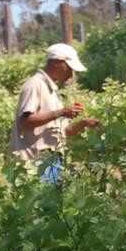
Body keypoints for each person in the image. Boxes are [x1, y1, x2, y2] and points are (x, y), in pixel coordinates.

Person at [8, 43, 100, 174]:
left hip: (51, 160)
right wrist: (61, 112)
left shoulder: (52, 90)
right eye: (69, 68)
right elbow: (24, 123)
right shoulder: (35, 85)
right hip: (34, 163)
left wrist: (84, 123)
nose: (71, 74)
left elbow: (64, 132)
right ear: (57, 63)